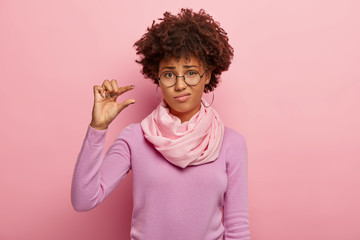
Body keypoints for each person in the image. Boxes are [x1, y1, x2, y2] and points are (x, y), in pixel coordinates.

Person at [71, 8, 250, 240]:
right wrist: (97, 128)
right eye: (169, 74)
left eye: (191, 73)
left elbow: (237, 228)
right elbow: (83, 200)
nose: (180, 85)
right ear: (157, 77)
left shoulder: (232, 143)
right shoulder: (135, 138)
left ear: (208, 75)